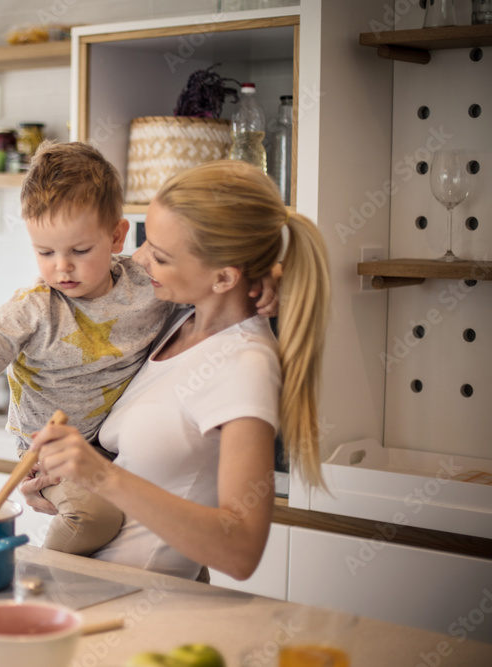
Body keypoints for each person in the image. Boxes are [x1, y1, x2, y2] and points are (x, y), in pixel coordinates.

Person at [0, 143, 276, 557]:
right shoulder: (37, 308)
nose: (61, 268)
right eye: (44, 252)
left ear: (117, 235)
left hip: (106, 462)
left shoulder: (152, 289)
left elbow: (219, 275)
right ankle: (42, 576)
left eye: (80, 251)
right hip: (49, 450)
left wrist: (267, 274)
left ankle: (44, 579)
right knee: (96, 517)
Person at [23, 159, 329, 582]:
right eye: (146, 239)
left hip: (142, 609)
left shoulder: (245, 366)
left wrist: (101, 477)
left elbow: (240, 551)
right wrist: (64, 486)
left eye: (161, 256)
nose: (140, 259)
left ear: (223, 277)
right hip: (92, 595)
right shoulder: (177, 320)